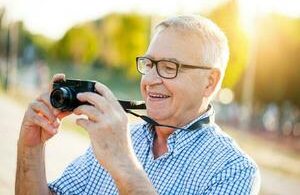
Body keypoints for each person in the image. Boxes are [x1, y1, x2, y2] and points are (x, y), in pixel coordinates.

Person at [15, 15, 260, 194]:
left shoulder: (234, 170)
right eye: (150, 64)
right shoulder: (119, 138)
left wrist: (122, 162)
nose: (151, 80)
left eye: (168, 67)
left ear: (210, 82)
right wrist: (31, 148)